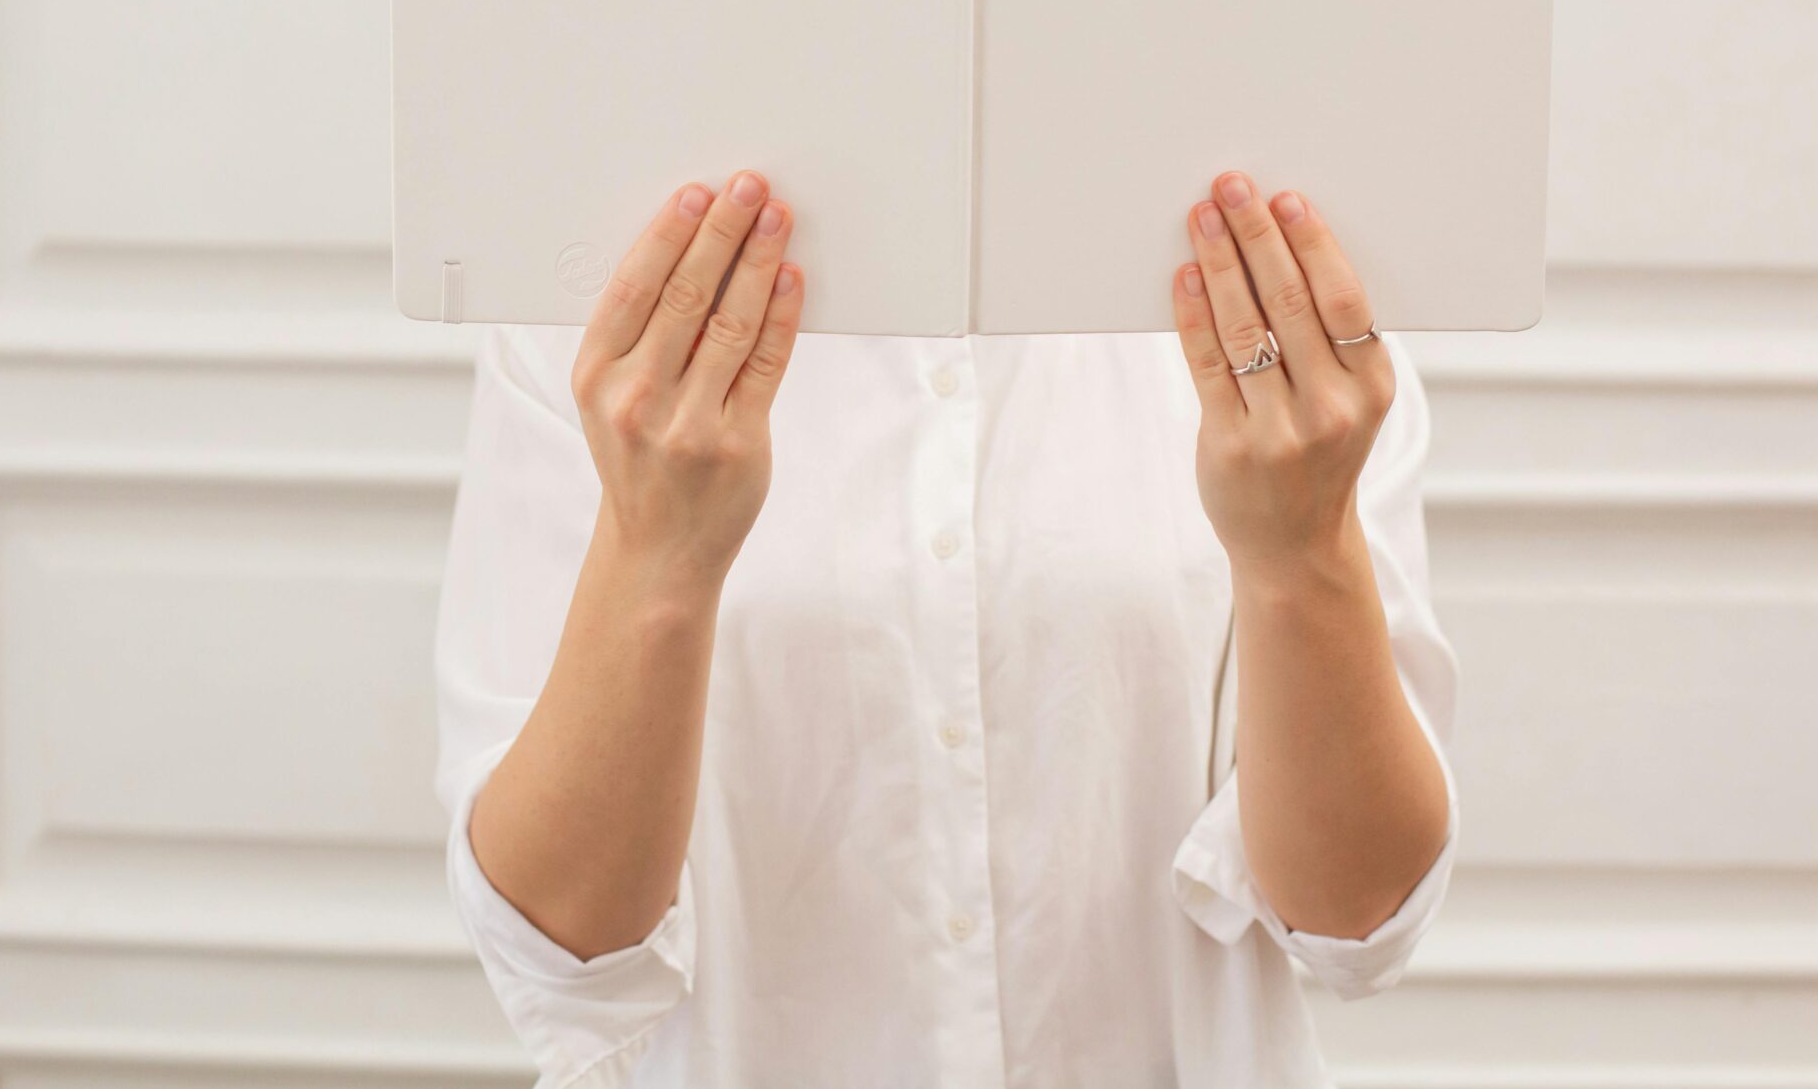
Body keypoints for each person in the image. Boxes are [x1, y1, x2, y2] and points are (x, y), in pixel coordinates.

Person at [433, 167, 1458, 1088]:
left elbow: (1357, 924)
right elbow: (557, 947)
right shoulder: (598, 321)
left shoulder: (1284, 313)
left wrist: (1301, 552)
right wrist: (657, 555)